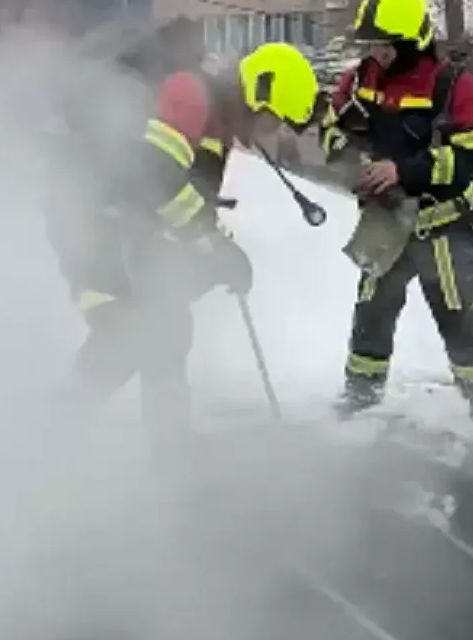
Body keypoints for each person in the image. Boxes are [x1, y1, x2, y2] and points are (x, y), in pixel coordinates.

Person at [46, 41, 320, 449]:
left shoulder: (219, 120)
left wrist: (218, 252)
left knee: (167, 326)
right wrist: (212, 244)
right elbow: (155, 177)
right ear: (258, 95)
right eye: (272, 120)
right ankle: (45, 432)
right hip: (91, 221)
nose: (268, 133)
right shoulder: (190, 95)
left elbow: (188, 200)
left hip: (125, 227)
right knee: (129, 332)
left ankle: (170, 449)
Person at [317, 0, 473, 421]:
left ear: (412, 41)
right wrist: (351, 161)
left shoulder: (455, 88)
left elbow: (468, 163)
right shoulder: (359, 80)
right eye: (371, 45)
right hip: (386, 221)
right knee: (372, 312)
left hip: (444, 225)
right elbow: (331, 130)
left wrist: (402, 171)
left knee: (460, 315)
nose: (376, 54)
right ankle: (361, 396)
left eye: (385, 46)